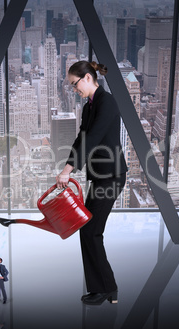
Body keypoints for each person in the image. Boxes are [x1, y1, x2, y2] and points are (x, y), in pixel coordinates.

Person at [56, 61, 128, 305]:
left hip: (111, 175)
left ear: (87, 78)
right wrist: (68, 167)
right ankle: (103, 288)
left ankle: (107, 288)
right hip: (99, 176)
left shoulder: (106, 102)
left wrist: (68, 170)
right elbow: (81, 138)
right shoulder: (89, 107)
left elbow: (94, 138)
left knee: (91, 230)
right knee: (88, 229)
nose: (74, 89)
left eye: (75, 84)